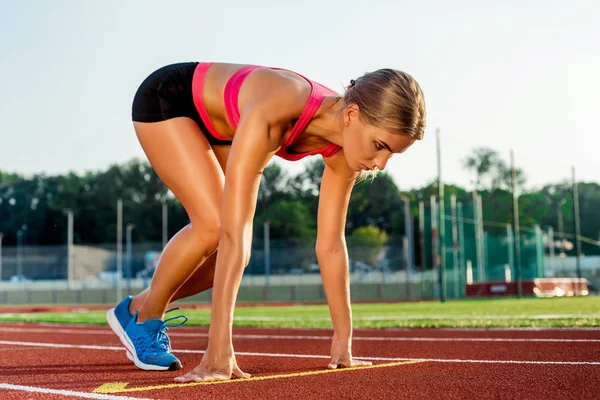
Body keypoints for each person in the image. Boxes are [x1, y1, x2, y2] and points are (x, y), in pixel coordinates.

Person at [106, 61, 426, 382]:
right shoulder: (279, 109)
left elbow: (330, 245)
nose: (382, 164)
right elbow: (235, 233)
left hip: (224, 127)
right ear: (351, 115)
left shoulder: (347, 153)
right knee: (217, 225)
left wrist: (344, 338)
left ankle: (134, 308)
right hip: (172, 99)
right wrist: (219, 352)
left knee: (219, 258)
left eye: (392, 154)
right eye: (380, 146)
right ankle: (147, 317)